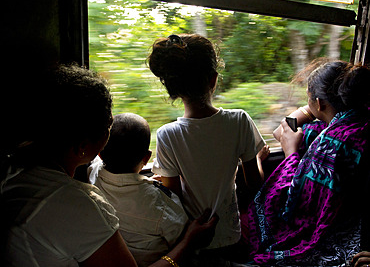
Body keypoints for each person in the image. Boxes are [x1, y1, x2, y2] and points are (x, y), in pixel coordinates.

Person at [1, 64, 218, 267]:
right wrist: (189, 242)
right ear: (82, 147)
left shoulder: (15, 169)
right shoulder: (79, 206)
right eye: (107, 125)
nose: (110, 129)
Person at [241, 58, 370, 266]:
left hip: (342, 232)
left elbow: (292, 204)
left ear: (319, 103)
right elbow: (281, 130)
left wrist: (291, 153)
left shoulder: (331, 142)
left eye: (308, 99)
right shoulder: (356, 120)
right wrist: (316, 105)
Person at [148, 34, 266, 254]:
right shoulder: (239, 120)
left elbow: (174, 199)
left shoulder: (167, 135)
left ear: (173, 89)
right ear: (213, 80)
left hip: (192, 239)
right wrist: (258, 158)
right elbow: (254, 183)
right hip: (231, 235)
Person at [88, 113, 188, 266]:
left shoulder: (92, 174)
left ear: (100, 154)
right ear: (147, 158)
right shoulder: (159, 203)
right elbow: (181, 233)